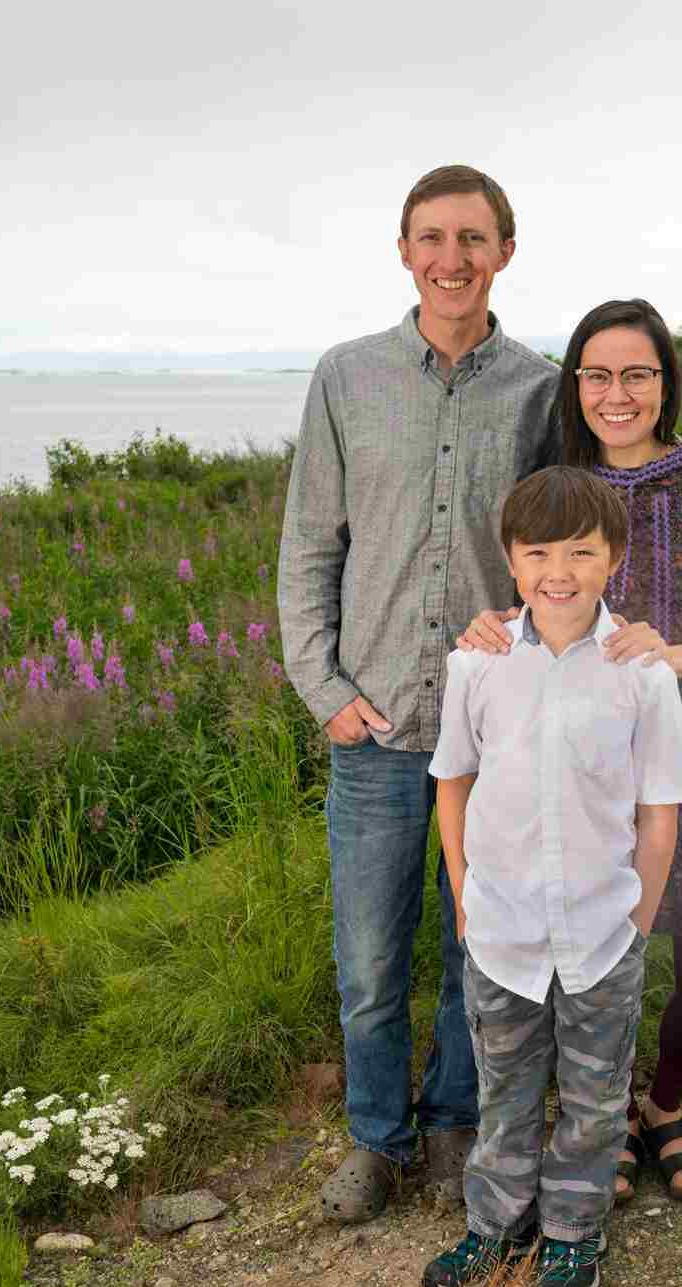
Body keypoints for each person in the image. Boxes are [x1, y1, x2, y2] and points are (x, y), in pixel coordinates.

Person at [460, 298, 682, 1202]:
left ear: (663, 382)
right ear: (577, 385)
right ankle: (593, 1116)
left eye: (636, 374)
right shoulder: (552, 485)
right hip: (571, 781)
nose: (618, 393)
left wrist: (679, 653)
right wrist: (489, 627)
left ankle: (663, 1100)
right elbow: (515, 589)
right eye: (598, 375)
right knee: (575, 973)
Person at [277, 166, 557, 1222]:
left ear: (503, 252)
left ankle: (450, 1126)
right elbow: (309, 544)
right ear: (403, 251)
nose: (453, 258)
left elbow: (560, 557)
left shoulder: (540, 388)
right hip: (378, 725)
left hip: (496, 732)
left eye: (473, 238)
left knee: (477, 948)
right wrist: (325, 689)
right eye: (433, 237)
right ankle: (374, 1140)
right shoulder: (345, 378)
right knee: (369, 960)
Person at [421, 466, 682, 1287]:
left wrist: (637, 918)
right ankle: (494, 1226)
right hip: (500, 928)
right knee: (502, 1089)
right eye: (538, 551)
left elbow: (658, 814)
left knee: (592, 1095)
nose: (559, 571)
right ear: (510, 560)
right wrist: (466, 895)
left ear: (611, 558)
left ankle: (574, 1235)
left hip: (601, 930)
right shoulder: (479, 662)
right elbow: (454, 784)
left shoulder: (639, 671)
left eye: (580, 552)